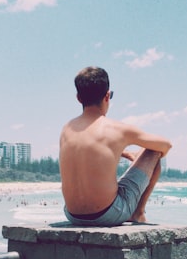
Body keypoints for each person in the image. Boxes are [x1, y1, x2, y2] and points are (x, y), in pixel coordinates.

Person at [59, 66, 172, 225]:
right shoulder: (117, 129)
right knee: (153, 152)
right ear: (107, 96)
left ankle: (135, 212)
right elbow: (166, 145)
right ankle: (138, 214)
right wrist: (141, 157)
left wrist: (122, 152)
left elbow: (88, 152)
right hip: (107, 214)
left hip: (72, 215)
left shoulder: (67, 129)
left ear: (78, 98)